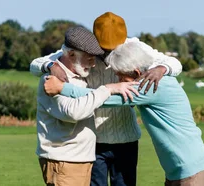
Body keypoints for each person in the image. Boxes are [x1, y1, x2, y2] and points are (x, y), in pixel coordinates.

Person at [30, 12, 182, 186]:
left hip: (126, 138)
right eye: (105, 47)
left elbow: (175, 63)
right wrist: (50, 65)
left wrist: (161, 68)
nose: (109, 51)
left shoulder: (133, 46)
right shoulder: (85, 48)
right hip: (94, 141)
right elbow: (36, 63)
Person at [44, 41, 204, 186]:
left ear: (137, 73)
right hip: (178, 169)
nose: (118, 83)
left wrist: (62, 88)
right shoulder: (153, 80)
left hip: (190, 169)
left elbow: (104, 99)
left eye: (121, 77)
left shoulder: (150, 86)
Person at [35, 26, 138, 186]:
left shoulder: (79, 74)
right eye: (89, 58)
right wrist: (108, 89)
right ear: (70, 54)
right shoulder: (53, 78)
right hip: (63, 161)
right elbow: (73, 112)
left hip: (80, 160)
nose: (94, 64)